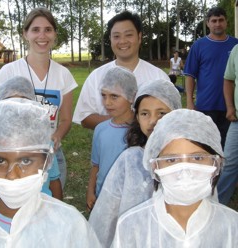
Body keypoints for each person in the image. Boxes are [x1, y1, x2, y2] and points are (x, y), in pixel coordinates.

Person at [0, 99, 100, 247]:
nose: (12, 175)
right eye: (0, 161)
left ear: (47, 161)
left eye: (25, 161)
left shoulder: (70, 225)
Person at [111, 109, 238, 247]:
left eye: (197, 158)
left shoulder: (232, 226)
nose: (185, 171)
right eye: (172, 160)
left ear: (217, 163)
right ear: (155, 167)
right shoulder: (131, 226)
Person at [88, 79, 182, 247]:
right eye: (145, 113)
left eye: (162, 113)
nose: (153, 121)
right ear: (137, 117)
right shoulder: (129, 160)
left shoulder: (188, 160)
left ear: (176, 114)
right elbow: (106, 213)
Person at [0, 7, 77, 188]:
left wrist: (57, 136)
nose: (42, 36)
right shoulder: (9, 72)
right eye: (35, 30)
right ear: (25, 34)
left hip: (51, 153)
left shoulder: (63, 74)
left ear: (54, 34)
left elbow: (66, 119)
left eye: (48, 29)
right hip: (15, 154)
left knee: (51, 205)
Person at [0, 76, 63, 201]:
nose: (18, 108)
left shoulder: (43, 143)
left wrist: (57, 208)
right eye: (10, 103)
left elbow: (54, 181)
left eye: (23, 102)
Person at [73, 10, 170, 130]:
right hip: (109, 146)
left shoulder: (158, 77)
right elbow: (85, 118)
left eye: (128, 35)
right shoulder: (96, 76)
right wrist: (121, 120)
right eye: (116, 36)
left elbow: (171, 117)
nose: (122, 41)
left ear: (139, 37)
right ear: (110, 39)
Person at [184, 6, 238, 148]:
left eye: (221, 20)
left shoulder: (235, 45)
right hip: (205, 106)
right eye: (214, 21)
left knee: (228, 149)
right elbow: (190, 75)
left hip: (231, 108)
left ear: (226, 22)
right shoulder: (199, 45)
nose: (218, 24)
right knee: (207, 147)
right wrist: (190, 101)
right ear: (208, 23)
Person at [86, 66, 137, 211]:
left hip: (131, 200)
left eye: (114, 96)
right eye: (104, 95)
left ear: (131, 96)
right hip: (103, 196)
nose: (107, 102)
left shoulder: (140, 131)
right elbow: (96, 165)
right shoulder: (101, 129)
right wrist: (91, 191)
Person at [217, 44, 238, 205]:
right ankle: (217, 206)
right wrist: (230, 106)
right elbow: (228, 79)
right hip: (237, 121)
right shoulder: (237, 50)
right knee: (229, 162)